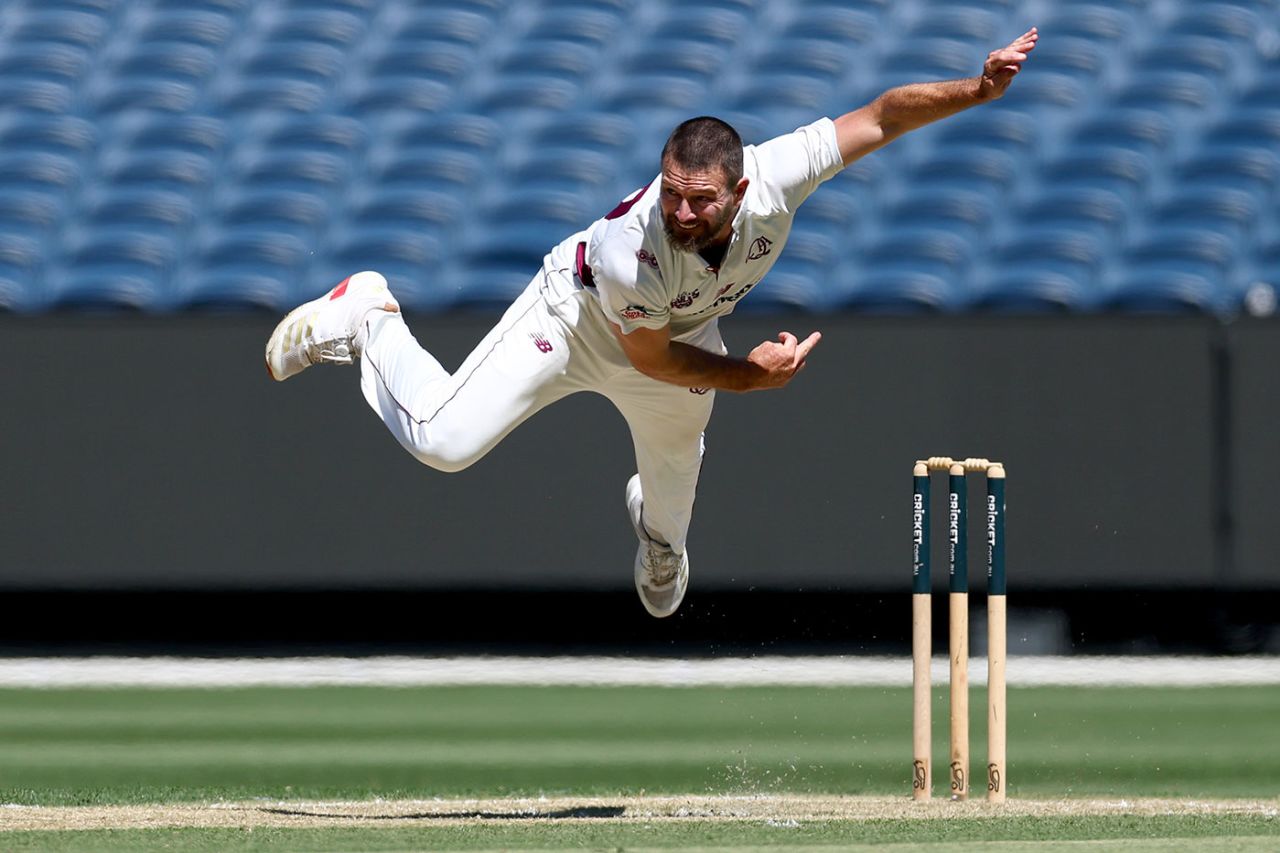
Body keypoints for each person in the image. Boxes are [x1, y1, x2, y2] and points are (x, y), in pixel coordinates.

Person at [265, 28, 1038, 618]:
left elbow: (881, 117)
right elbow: (650, 360)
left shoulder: (779, 174)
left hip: (682, 336)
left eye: (700, 199)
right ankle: (370, 316)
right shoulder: (629, 250)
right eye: (672, 192)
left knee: (670, 519)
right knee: (443, 442)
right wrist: (748, 376)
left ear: (740, 191)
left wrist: (976, 90)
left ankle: (658, 539)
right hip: (576, 320)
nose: (682, 211)